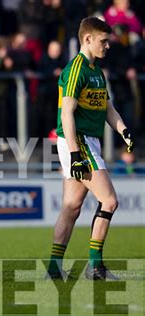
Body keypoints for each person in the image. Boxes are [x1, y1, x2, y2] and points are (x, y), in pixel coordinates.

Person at [46, 17, 135, 280]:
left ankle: (53, 268)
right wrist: (74, 153)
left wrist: (123, 130)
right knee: (109, 200)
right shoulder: (76, 69)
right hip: (79, 140)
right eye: (103, 41)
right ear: (87, 39)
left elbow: (107, 108)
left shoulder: (96, 71)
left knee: (72, 206)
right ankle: (95, 267)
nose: (108, 46)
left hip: (87, 139)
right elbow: (66, 114)